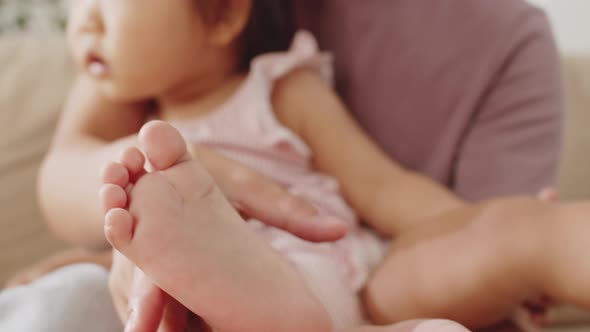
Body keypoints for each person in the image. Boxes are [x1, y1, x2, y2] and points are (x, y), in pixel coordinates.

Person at [24, 0, 577, 331]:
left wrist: (489, 223)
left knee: (519, 231)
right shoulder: (131, 100)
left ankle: (560, 243)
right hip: (207, 291)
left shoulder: (282, 85)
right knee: (155, 254)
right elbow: (74, 179)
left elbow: (383, 189)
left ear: (225, 16)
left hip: (335, 262)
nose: (83, 23)